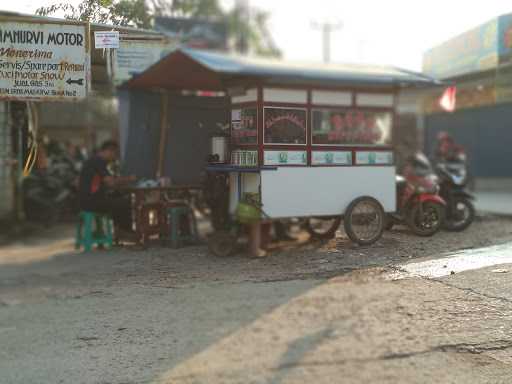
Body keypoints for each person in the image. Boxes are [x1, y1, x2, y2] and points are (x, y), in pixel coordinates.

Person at [78, 140, 136, 231]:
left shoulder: (94, 160)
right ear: (109, 151)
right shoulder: (98, 161)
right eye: (115, 154)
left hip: (86, 201)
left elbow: (106, 182)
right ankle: (125, 231)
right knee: (125, 203)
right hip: (91, 202)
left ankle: (120, 230)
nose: (115, 157)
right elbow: (110, 182)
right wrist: (129, 179)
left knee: (118, 198)